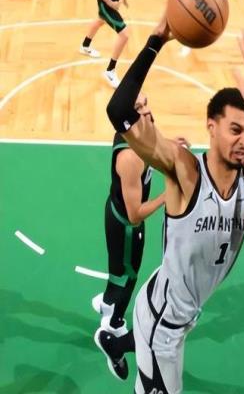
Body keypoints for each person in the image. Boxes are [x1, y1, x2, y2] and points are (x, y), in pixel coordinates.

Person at [96, 2, 244, 393]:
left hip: (179, 314)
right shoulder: (185, 170)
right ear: (211, 127)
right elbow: (119, 111)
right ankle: (120, 343)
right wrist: (155, 41)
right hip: (161, 321)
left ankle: (116, 343)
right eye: (235, 130)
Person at [93, 93, 191, 380]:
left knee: (119, 272)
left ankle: (106, 301)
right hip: (125, 224)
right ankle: (113, 323)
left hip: (121, 212)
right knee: (128, 276)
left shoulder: (139, 130)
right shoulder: (130, 158)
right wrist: (166, 195)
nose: (146, 111)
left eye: (146, 103)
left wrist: (170, 143)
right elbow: (135, 214)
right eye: (138, 108)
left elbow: (153, 142)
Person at [79, 0, 129, 88]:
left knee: (101, 20)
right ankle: (110, 71)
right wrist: (110, 3)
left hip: (112, 1)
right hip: (106, 4)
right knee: (124, 34)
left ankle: (85, 46)